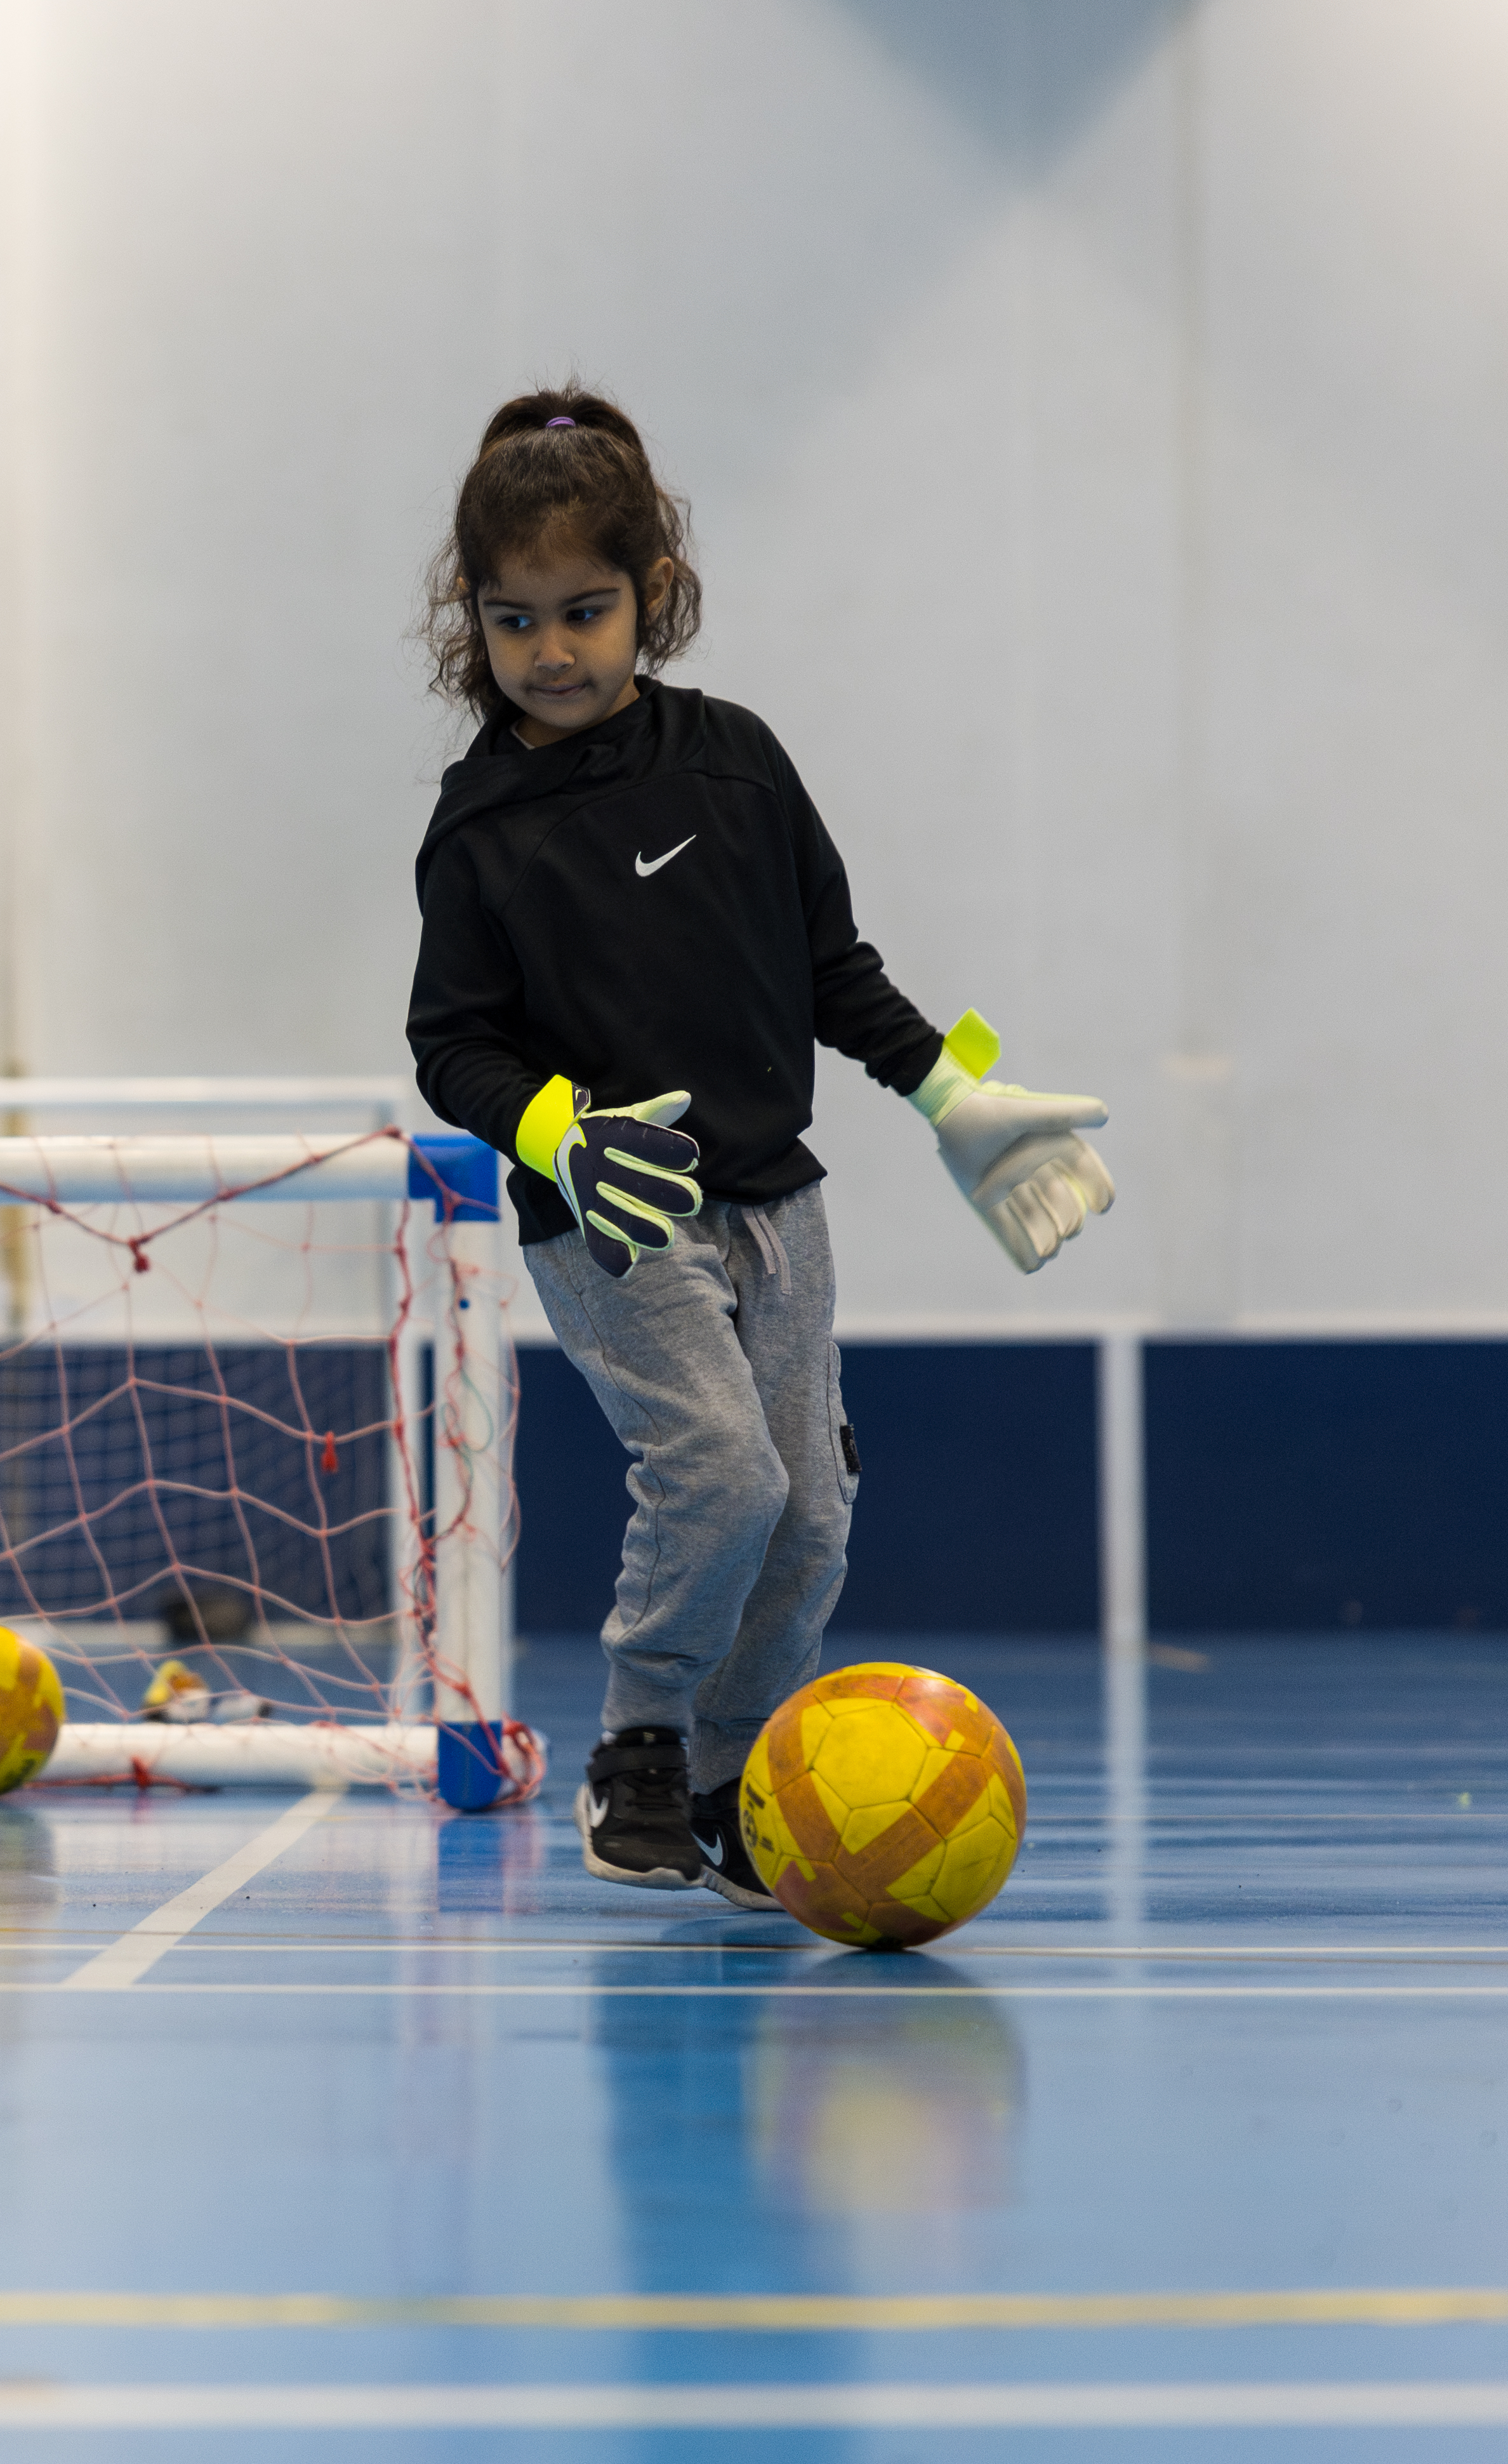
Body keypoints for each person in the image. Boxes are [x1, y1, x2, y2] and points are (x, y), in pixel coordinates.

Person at [404, 390, 1115, 1904]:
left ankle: (732, 1783)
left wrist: (949, 1094)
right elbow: (451, 1042)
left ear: (651, 594)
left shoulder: (738, 763)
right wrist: (558, 1131)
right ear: (476, 620)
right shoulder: (481, 827)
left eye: (585, 610)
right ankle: (642, 1746)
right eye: (515, 618)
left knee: (812, 1504)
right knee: (721, 1472)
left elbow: (830, 963)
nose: (552, 648)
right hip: (612, 1213)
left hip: (776, 1203)